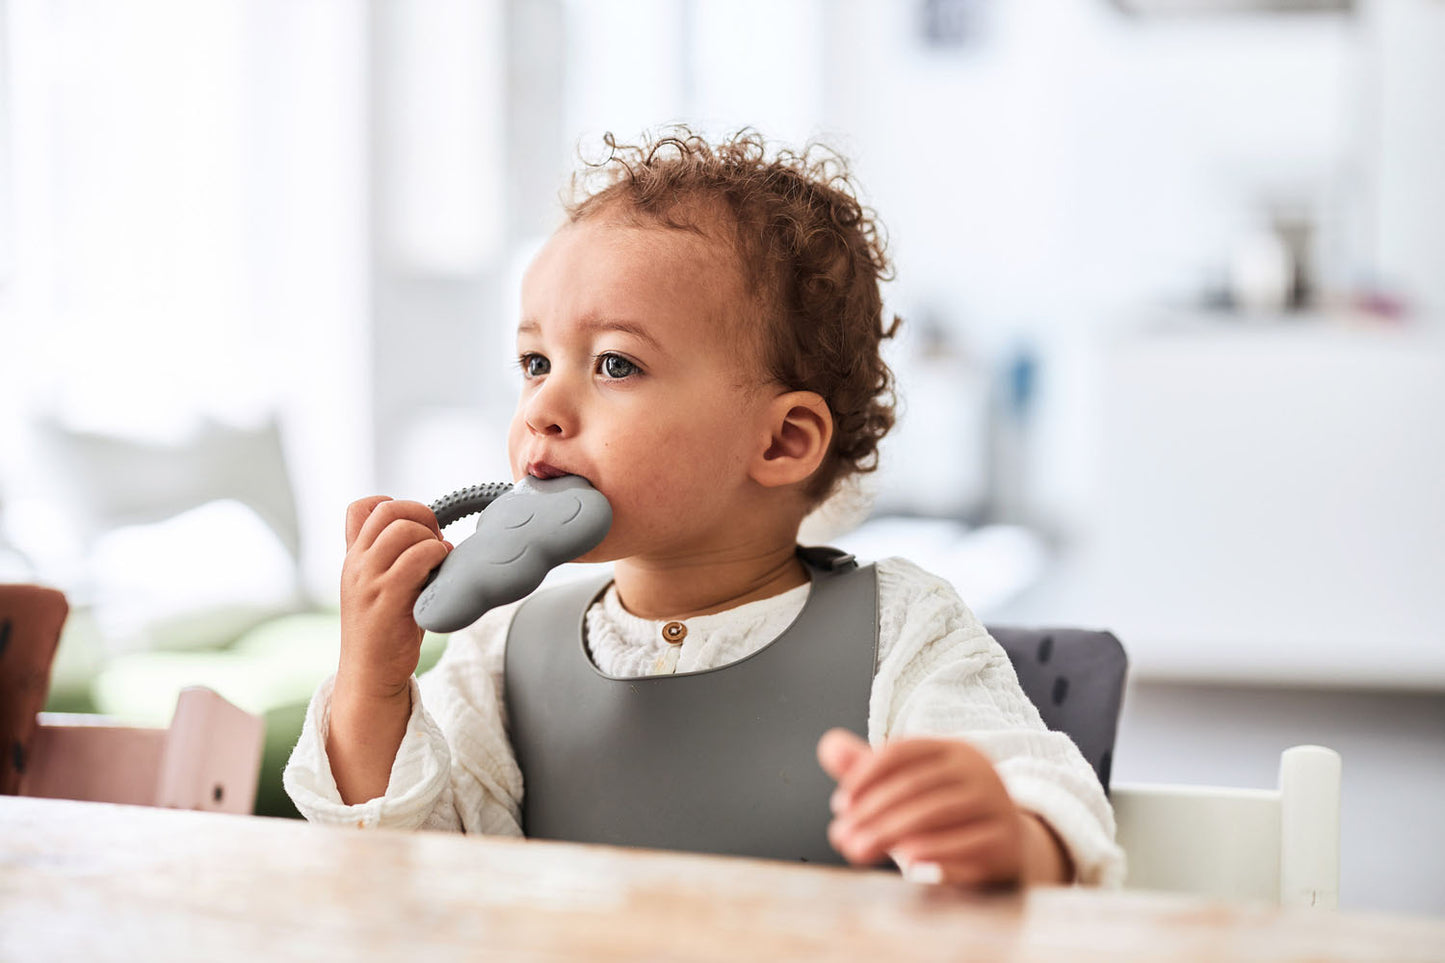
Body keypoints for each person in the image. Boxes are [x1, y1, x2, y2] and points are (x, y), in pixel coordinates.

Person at [284, 128, 1124, 888]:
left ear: (782, 441)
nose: (542, 407)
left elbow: (1042, 794)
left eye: (614, 365)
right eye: (535, 362)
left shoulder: (900, 629)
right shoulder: (501, 652)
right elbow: (407, 872)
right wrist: (373, 683)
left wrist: (1007, 837)